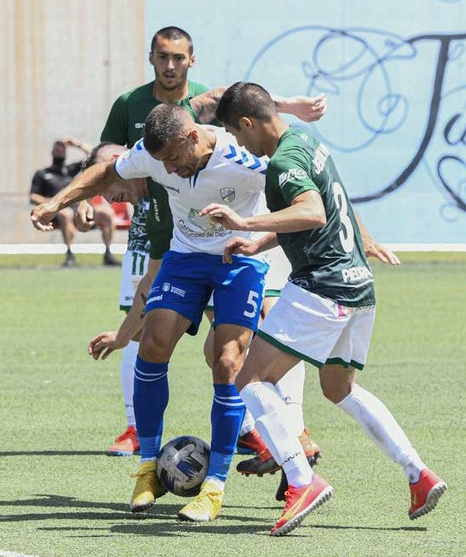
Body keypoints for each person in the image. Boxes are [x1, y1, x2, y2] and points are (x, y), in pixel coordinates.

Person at [204, 81, 445, 536]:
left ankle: (301, 480)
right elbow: (327, 208)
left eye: (238, 136)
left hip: (322, 287)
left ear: (248, 123)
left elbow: (311, 211)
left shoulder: (283, 161)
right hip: (358, 286)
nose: (241, 145)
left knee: (248, 377)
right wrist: (260, 242)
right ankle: (419, 474)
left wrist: (245, 220)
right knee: (339, 388)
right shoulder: (307, 140)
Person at [32, 103, 271, 523]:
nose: (171, 170)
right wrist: (59, 202)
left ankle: (214, 485)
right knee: (153, 345)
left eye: (176, 159)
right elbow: (107, 173)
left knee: (227, 362)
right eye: (162, 163)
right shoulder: (153, 153)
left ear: (194, 136)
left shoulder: (243, 161)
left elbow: (307, 196)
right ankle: (147, 468)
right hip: (185, 257)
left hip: (240, 260)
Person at [97, 25, 326, 458]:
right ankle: (141, 427)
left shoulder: (203, 111)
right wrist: (98, 187)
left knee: (259, 334)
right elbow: (107, 154)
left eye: (177, 57)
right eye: (162, 56)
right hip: (172, 235)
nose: (169, 65)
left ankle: (291, 430)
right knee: (173, 336)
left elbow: (243, 103)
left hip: (238, 241)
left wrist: (289, 106)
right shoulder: (130, 106)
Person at [29, 138, 119, 268]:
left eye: (62, 150)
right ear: (52, 152)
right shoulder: (42, 174)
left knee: (107, 212)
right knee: (66, 214)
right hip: (59, 211)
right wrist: (54, 203)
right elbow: (33, 196)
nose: (60, 152)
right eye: (57, 150)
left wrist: (78, 144)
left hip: (79, 206)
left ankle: (108, 254)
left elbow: (97, 158)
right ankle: (70, 254)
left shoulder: (70, 170)